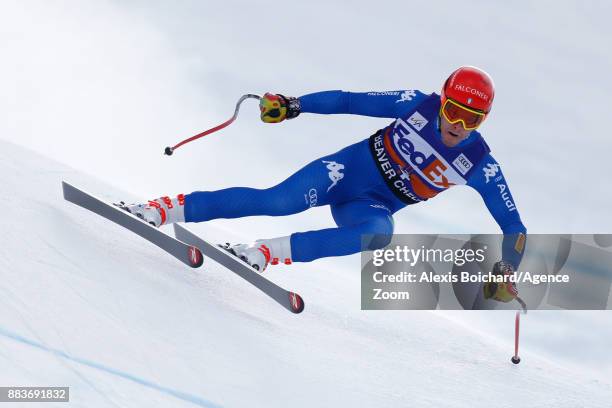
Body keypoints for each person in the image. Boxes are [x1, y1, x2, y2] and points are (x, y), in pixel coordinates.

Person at [125, 66, 526, 303]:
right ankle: (165, 209)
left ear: (483, 121)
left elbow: (515, 228)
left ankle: (264, 252)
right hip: (342, 173)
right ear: (442, 102)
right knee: (279, 201)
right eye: (454, 111)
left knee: (379, 234)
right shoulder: (413, 102)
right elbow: (349, 101)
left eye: (471, 119)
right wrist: (293, 105)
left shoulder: (479, 164)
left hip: (369, 205)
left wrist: (510, 268)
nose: (458, 126)